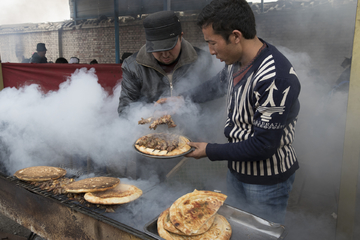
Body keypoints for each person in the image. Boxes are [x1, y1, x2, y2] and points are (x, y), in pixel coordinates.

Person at [184, 0, 301, 224]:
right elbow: (215, 85)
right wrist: (181, 99)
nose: (210, 51)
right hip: (237, 170)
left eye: (212, 43)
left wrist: (209, 150)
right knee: (236, 228)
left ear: (236, 36)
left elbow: (263, 146)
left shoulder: (275, 78)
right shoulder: (236, 62)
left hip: (267, 182)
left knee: (260, 234)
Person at [117, 10, 215, 115]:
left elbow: (212, 101)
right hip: (151, 129)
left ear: (181, 37)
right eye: (157, 49)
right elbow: (125, 108)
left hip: (192, 128)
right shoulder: (133, 66)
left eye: (170, 47)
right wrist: (148, 118)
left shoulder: (202, 60)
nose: (165, 55)